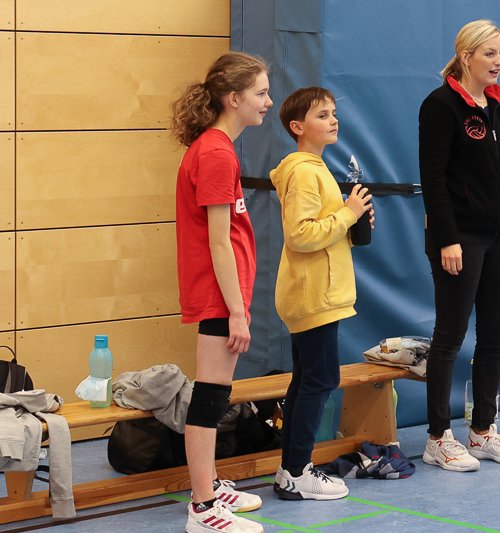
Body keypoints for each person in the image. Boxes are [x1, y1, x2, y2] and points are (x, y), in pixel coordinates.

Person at [418, 19, 500, 472]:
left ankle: (483, 430)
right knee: (449, 336)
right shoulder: (441, 105)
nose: (498, 61)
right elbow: (434, 179)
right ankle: (437, 437)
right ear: (466, 56)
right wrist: (447, 239)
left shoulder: (495, 104)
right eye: (489, 53)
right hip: (459, 239)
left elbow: (493, 173)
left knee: (495, 335)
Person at [171, 51, 272, 533]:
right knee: (210, 397)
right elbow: (217, 240)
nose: (267, 102)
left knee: (217, 392)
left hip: (224, 293)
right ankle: (203, 506)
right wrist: (236, 311)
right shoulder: (215, 153)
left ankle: (209, 483)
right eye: (260, 93)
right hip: (218, 294)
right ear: (233, 98)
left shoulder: (219, 149)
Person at [270, 87, 374, 499]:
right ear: (298, 127)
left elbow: (320, 231)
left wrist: (350, 223)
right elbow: (300, 235)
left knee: (308, 380)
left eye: (333, 113)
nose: (332, 120)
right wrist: (347, 214)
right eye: (321, 115)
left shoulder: (314, 168)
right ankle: (298, 471)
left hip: (317, 293)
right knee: (320, 379)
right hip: (313, 295)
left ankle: (290, 469)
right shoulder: (304, 172)